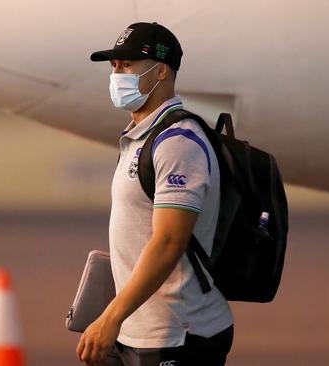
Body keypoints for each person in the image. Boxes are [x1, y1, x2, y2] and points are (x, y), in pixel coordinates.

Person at [76, 22, 234, 365]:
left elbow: (168, 241)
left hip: (178, 334)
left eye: (128, 65)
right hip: (138, 329)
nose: (117, 73)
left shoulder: (178, 143)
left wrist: (109, 318)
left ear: (161, 71)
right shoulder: (140, 136)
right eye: (114, 66)